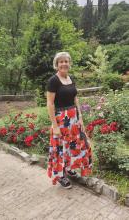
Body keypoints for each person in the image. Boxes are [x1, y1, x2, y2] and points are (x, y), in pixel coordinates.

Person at [47, 52, 92, 189]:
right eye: (61, 62)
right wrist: (55, 126)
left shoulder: (71, 78)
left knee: (74, 144)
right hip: (61, 119)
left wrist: (80, 117)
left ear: (69, 63)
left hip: (73, 118)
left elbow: (75, 98)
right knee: (61, 147)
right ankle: (60, 175)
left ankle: (70, 168)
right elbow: (50, 103)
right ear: (57, 64)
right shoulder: (53, 81)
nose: (64, 64)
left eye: (66, 61)